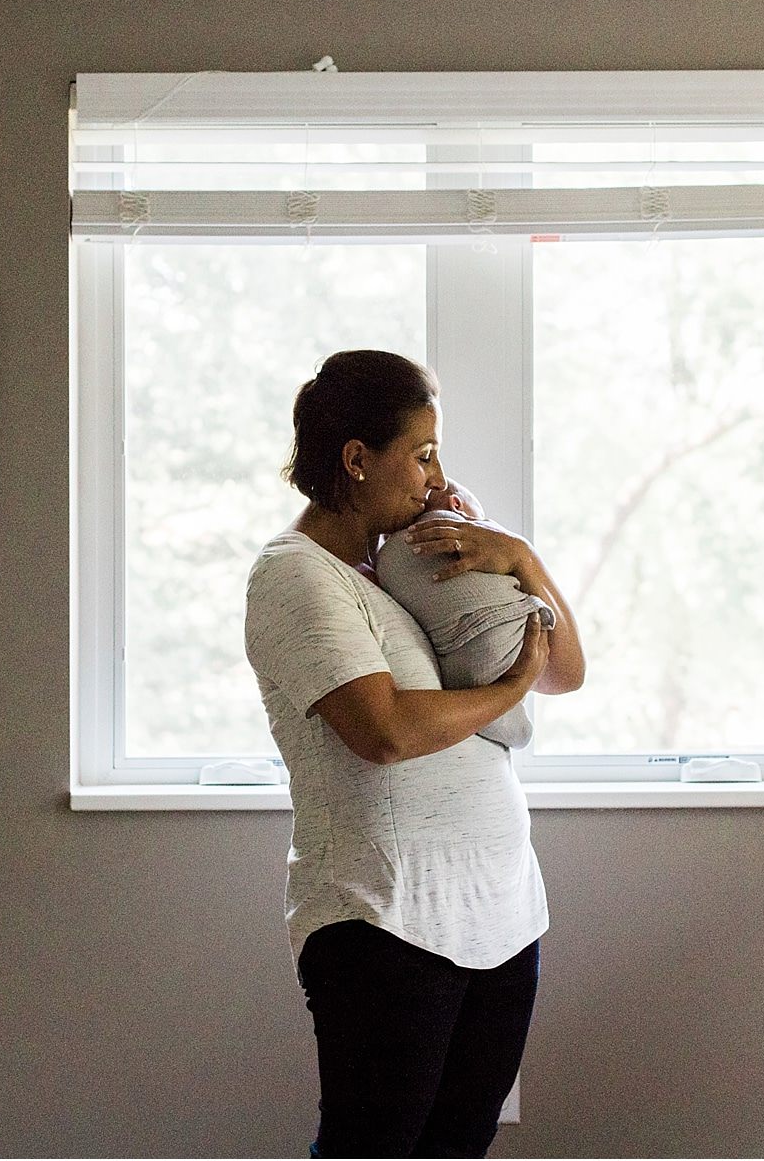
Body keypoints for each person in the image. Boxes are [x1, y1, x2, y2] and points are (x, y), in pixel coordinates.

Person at [243, 350, 585, 1159]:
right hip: (385, 921)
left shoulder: (412, 570)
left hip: (499, 919)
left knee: (456, 1149)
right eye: (422, 453)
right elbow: (384, 729)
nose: (436, 477)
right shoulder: (296, 575)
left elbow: (568, 672)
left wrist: (518, 558)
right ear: (357, 460)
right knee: (375, 1148)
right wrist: (511, 686)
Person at [371, 480, 549, 749]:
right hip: (515, 637)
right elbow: (571, 674)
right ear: (457, 506)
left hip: (462, 670)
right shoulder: (473, 535)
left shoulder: (384, 560)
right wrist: (519, 553)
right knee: (521, 735)